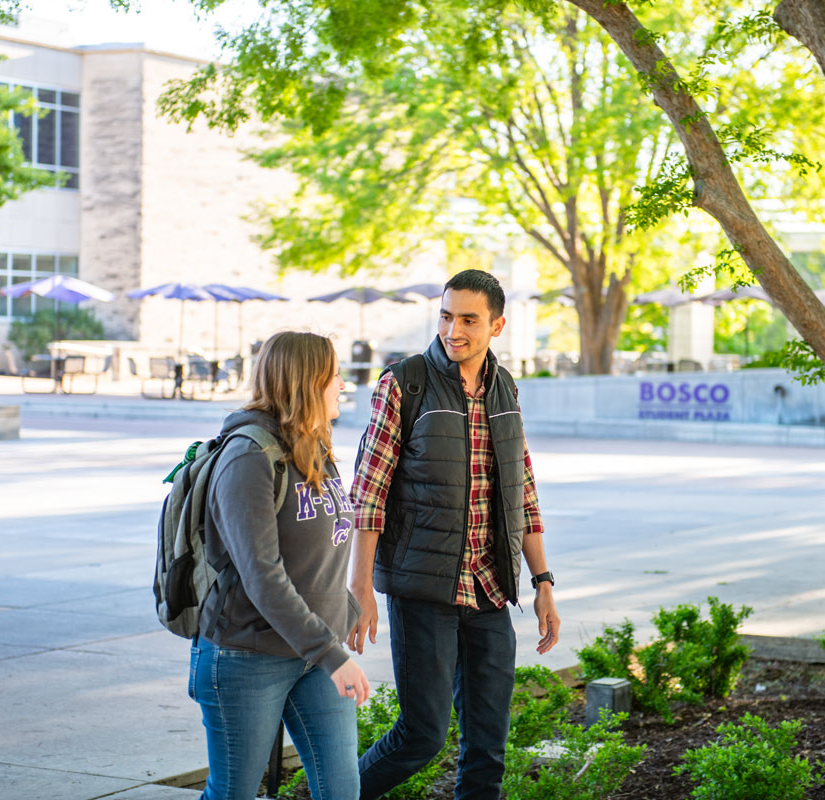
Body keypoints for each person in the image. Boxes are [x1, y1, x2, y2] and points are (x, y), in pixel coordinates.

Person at [348, 269, 560, 800]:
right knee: (421, 735)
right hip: (425, 590)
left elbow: (522, 490)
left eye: (468, 319)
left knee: (488, 746)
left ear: (497, 325)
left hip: (489, 590)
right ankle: (329, 794)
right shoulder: (406, 383)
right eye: (446, 316)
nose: (453, 330)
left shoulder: (505, 386)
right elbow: (369, 493)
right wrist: (361, 588)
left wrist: (543, 582)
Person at [190, 330, 370, 800]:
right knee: (233, 793)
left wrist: (345, 610)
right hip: (248, 655)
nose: (342, 387)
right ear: (307, 381)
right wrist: (331, 653)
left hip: (314, 653)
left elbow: (322, 545)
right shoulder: (248, 456)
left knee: (341, 790)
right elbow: (262, 574)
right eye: (334, 377)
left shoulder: (314, 444)